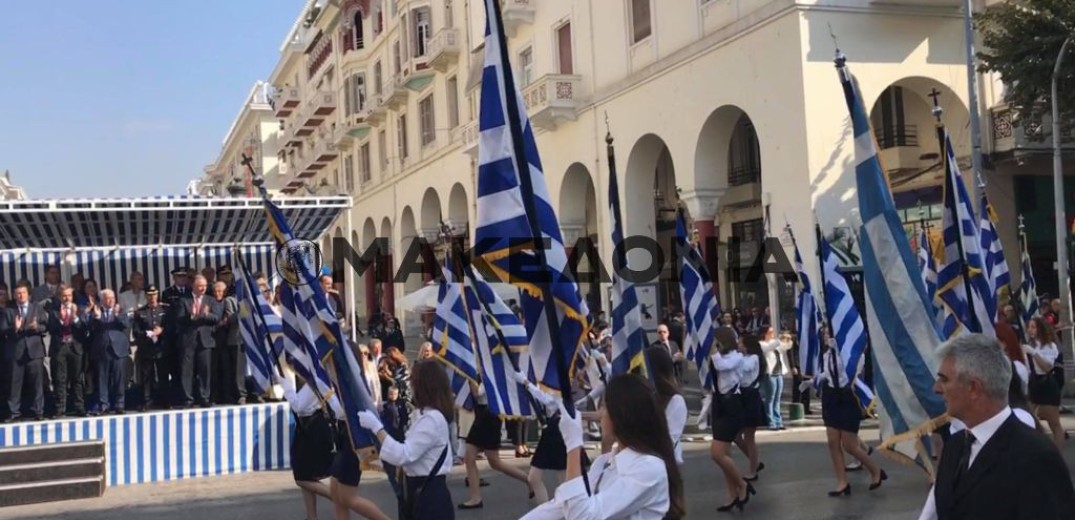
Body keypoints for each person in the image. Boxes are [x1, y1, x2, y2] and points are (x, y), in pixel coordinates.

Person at [917, 334, 1075, 520]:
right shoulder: (955, 447)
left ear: (974, 388)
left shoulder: (1036, 456)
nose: (936, 388)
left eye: (944, 380)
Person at [521, 374, 685, 519]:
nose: (601, 414)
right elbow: (558, 508)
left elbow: (583, 516)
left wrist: (573, 445)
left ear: (620, 416)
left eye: (605, 407)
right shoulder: (604, 463)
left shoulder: (649, 468)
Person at [358, 359, 455, 520]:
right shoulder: (425, 414)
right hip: (418, 490)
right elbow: (412, 456)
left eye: (414, 382)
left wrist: (377, 428)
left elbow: (403, 454)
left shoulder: (432, 419)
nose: (411, 386)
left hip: (429, 495)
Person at [807, 328, 884, 496]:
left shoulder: (854, 354)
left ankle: (875, 470)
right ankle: (842, 482)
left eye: (829, 333)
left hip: (847, 397)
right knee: (833, 443)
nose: (826, 336)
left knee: (850, 445)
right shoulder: (827, 355)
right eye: (825, 333)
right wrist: (815, 380)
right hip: (831, 398)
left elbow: (848, 374)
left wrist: (839, 350)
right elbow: (828, 374)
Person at [459, 381, 531, 509]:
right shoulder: (484, 374)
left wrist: (469, 377)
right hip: (484, 416)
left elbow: (478, 393)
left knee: (491, 461)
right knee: (473, 458)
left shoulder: (489, 374)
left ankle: (529, 480)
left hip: (489, 416)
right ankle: (475, 497)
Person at [278, 373, 337, 520]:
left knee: (301, 478)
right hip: (305, 427)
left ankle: (339, 498)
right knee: (305, 472)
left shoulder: (315, 380)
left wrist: (286, 386)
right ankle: (311, 516)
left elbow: (298, 406)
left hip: (314, 427)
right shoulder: (307, 381)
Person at [708, 337, 752, 512]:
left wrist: (712, 351)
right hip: (719, 404)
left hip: (732, 404)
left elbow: (722, 367)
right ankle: (732, 493)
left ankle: (742, 484)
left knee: (716, 453)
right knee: (725, 454)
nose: (716, 346)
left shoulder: (736, 357)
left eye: (718, 343)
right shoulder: (718, 356)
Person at [512, 369, 567, 504]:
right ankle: (545, 514)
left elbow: (551, 402)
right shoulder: (547, 375)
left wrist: (526, 382)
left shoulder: (559, 372)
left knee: (565, 482)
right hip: (550, 429)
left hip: (559, 429)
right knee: (533, 478)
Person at [1, 283, 47, 421]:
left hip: (34, 350)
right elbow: (3, 330)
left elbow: (45, 326)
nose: (21, 296)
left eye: (23, 293)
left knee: (37, 383)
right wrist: (14, 328)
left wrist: (37, 327)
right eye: (18, 293)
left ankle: (38, 411)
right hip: (16, 350)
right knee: (15, 383)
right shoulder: (9, 311)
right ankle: (14, 412)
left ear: (28, 294)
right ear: (14, 295)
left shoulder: (37, 308)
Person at [176, 275, 221, 408]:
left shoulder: (210, 300)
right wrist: (191, 316)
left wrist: (205, 315)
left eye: (205, 286)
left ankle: (204, 397)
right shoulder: (184, 300)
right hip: (188, 339)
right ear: (193, 286)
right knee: (187, 370)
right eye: (200, 286)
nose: (203, 288)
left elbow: (216, 317)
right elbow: (178, 319)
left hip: (205, 340)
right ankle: (188, 398)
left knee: (205, 370)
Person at [1023, 316, 1065, 449]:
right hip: (1034, 384)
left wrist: (1033, 353)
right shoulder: (1029, 345)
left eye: (1033, 327)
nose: (1030, 330)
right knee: (1029, 419)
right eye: (1029, 327)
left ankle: (1058, 456)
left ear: (1040, 328)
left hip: (1047, 385)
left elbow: (1047, 368)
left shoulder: (1050, 346)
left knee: (1054, 424)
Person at [86, 289, 130, 415]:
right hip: (102, 349)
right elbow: (88, 327)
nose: (111, 300)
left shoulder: (120, 310)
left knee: (119, 378)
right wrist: (97, 318)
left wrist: (117, 315)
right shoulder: (97, 312)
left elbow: (126, 324)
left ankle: (119, 404)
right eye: (107, 298)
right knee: (102, 378)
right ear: (102, 300)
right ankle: (103, 404)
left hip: (118, 349)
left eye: (112, 298)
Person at [46, 284, 86, 418]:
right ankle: (60, 409)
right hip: (60, 347)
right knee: (59, 379)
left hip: (75, 347)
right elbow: (50, 329)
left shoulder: (79, 309)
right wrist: (61, 321)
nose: (66, 298)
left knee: (77, 379)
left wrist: (74, 318)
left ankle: (79, 407)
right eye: (64, 295)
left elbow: (83, 329)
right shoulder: (53, 311)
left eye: (69, 295)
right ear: (59, 296)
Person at [734, 334, 766, 481]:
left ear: (747, 345)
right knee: (736, 435)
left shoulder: (753, 358)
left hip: (751, 396)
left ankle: (753, 470)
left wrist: (736, 357)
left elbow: (746, 369)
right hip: (742, 396)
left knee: (749, 437)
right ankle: (755, 461)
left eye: (740, 343)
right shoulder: (742, 357)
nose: (738, 345)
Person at [133, 286, 168, 411]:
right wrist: (149, 333)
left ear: (157, 295)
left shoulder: (164, 309)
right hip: (147, 348)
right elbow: (136, 331)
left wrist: (162, 330)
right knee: (147, 376)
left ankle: (164, 400)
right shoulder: (140, 312)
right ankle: (147, 400)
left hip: (161, 348)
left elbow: (171, 326)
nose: (152, 297)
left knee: (163, 375)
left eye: (154, 295)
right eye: (149, 295)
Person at [212, 281, 244, 405]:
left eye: (221, 291)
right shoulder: (230, 300)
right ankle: (236, 395)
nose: (218, 293)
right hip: (229, 339)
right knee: (230, 370)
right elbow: (231, 318)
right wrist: (245, 310)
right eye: (216, 291)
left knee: (235, 370)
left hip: (238, 339)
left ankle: (233, 395)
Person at [759, 326, 791, 430]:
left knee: (777, 398)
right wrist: (779, 339)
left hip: (779, 372)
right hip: (770, 374)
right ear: (765, 333)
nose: (773, 333)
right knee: (770, 398)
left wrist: (787, 338)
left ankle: (778, 421)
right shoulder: (762, 344)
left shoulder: (774, 342)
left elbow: (786, 346)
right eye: (770, 332)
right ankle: (771, 422)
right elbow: (769, 348)